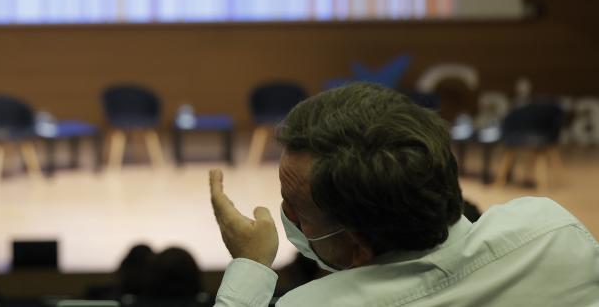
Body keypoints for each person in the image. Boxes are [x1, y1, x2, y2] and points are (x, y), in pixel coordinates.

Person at [208, 83, 599, 306]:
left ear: (359, 246)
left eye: (297, 211)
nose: (287, 217)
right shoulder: (555, 233)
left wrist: (251, 264)